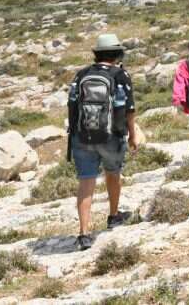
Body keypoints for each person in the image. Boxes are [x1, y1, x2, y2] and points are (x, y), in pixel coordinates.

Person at [67, 34, 137, 251]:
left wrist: (74, 134)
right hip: (112, 136)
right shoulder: (120, 75)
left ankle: (84, 233)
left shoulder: (81, 74)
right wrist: (132, 135)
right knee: (113, 174)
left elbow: (72, 105)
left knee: (86, 182)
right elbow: (129, 109)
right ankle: (114, 215)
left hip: (82, 135)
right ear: (117, 53)